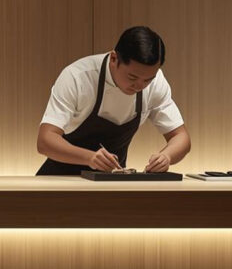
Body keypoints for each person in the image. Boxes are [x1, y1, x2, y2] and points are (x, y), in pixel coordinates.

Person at [36, 26, 191, 175]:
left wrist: (166, 157)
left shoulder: (156, 83)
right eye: (132, 77)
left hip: (112, 183)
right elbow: (45, 141)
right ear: (114, 58)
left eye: (147, 80)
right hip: (60, 182)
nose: (140, 86)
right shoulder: (78, 76)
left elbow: (181, 137)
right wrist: (90, 158)